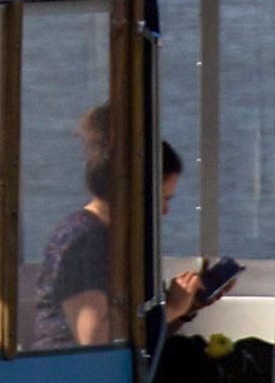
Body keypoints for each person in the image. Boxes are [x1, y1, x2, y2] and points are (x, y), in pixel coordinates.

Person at [29, 105, 213, 350]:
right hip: (71, 379)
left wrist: (186, 309)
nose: (165, 212)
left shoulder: (114, 238)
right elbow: (94, 340)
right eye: (164, 200)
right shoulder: (85, 240)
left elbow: (141, 340)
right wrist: (171, 308)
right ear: (136, 191)